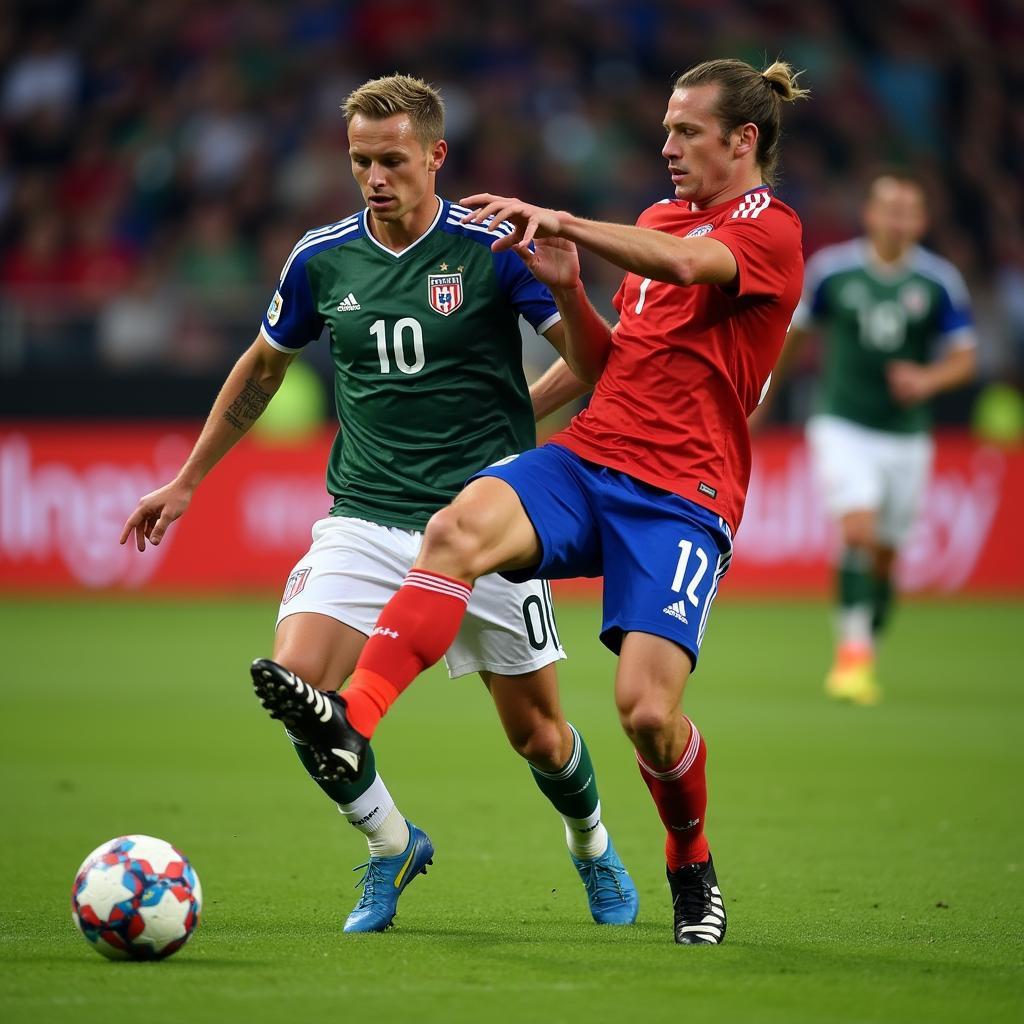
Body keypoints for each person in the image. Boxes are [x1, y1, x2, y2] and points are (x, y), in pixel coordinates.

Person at [287, 58, 810, 945]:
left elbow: (690, 262)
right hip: (590, 456)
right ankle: (352, 720)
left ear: (743, 139)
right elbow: (612, 364)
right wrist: (566, 283)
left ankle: (690, 859)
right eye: (667, 128)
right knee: (455, 527)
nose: (667, 145)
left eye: (686, 131)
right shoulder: (655, 216)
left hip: (684, 493)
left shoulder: (769, 229)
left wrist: (562, 221)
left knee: (646, 712)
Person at [119, 74, 637, 933]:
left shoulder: (494, 247)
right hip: (364, 516)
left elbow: (597, 362)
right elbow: (261, 368)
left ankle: (592, 844)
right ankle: (389, 844)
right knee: (300, 691)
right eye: (361, 161)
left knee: (540, 737)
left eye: (392, 159)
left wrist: (562, 319)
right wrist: (187, 480)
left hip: (485, 524)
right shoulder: (322, 257)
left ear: (436, 155)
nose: (375, 177)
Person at [778, 172, 977, 705]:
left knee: (886, 557)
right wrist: (765, 396)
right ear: (869, 214)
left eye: (907, 210)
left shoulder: (938, 282)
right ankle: (853, 656)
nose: (897, 219)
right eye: (888, 208)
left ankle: (866, 640)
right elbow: (795, 336)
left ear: (921, 221)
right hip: (842, 422)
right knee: (858, 530)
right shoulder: (833, 273)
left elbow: (964, 358)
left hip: (906, 436)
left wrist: (927, 379)